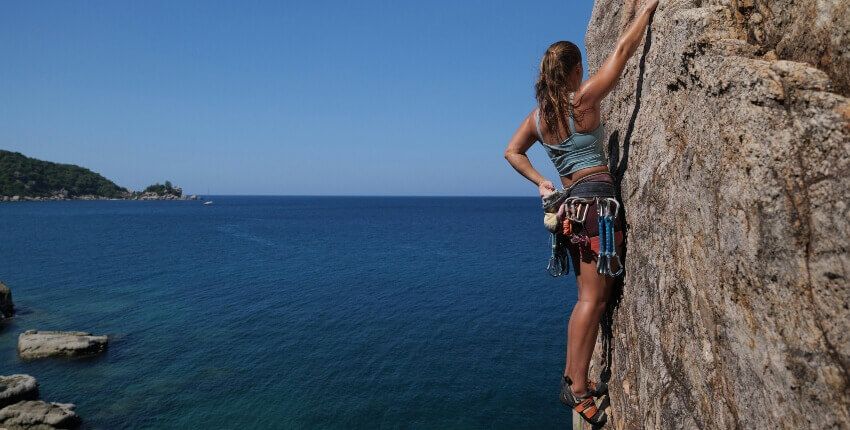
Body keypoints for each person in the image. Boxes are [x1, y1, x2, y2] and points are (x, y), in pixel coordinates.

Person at [503, 0, 658, 425]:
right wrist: (645, 12)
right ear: (573, 73)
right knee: (593, 299)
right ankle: (576, 386)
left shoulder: (541, 117)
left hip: (571, 209)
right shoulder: (582, 98)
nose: (583, 75)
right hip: (596, 209)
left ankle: (574, 379)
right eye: (580, 69)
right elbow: (623, 53)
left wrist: (542, 182)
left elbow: (511, 152)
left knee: (588, 298)